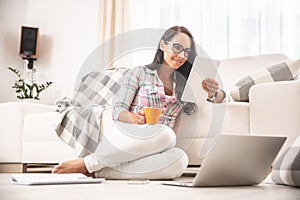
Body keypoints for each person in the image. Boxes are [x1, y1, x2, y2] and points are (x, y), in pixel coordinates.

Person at [52, 26, 226, 179]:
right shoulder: (139, 73)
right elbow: (118, 110)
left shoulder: (185, 83)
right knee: (166, 134)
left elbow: (218, 98)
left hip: (160, 144)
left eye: (186, 52)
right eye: (177, 47)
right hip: (131, 135)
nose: (181, 55)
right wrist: (134, 117)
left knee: (180, 159)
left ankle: (97, 172)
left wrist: (213, 91)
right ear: (163, 45)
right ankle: (89, 163)